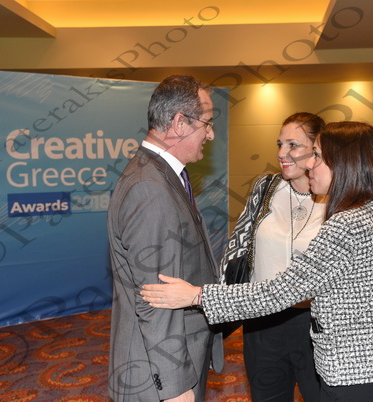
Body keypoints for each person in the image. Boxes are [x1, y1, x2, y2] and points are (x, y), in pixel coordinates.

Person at [142, 121, 373, 401]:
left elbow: (280, 292)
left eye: (317, 156)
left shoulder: (346, 225)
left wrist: (196, 295)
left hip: (356, 378)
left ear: (344, 164)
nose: (310, 164)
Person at [107, 75, 224, 402]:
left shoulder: (160, 175)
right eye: (207, 123)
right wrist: (175, 388)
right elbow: (156, 299)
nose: (211, 134)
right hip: (158, 375)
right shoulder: (150, 188)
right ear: (180, 123)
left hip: (172, 356)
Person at [220, 112, 325, 401]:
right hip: (262, 320)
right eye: (280, 144)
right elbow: (237, 248)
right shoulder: (265, 187)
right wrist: (222, 307)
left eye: (293, 145)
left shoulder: (336, 196)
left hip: (315, 322)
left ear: (317, 148)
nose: (281, 153)